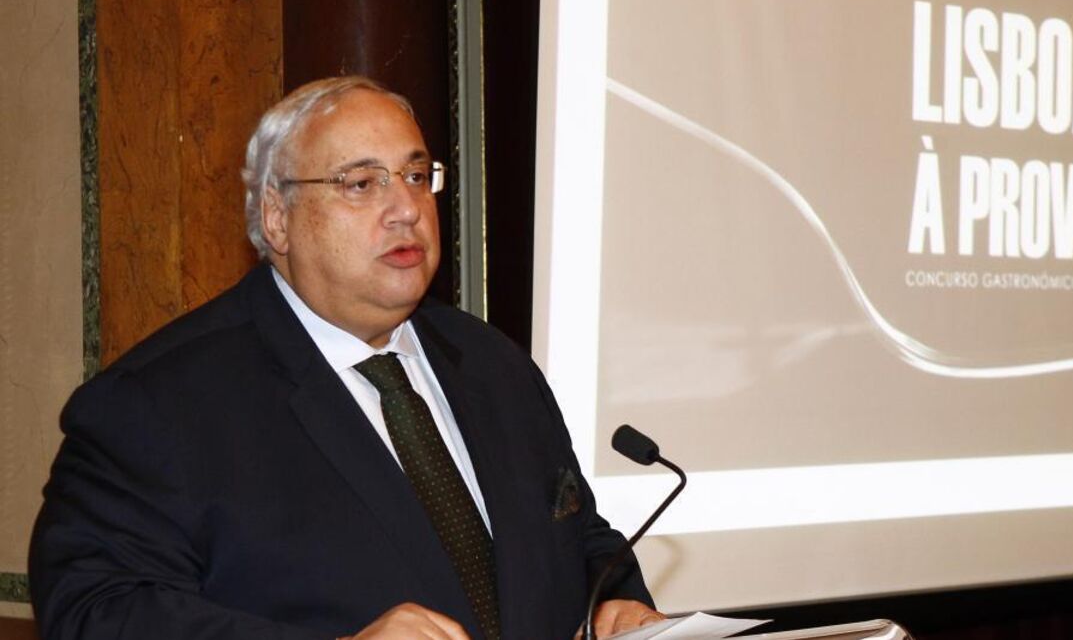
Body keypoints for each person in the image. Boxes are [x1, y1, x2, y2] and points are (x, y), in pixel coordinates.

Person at [29, 76, 665, 640]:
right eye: (361, 184)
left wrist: (616, 605)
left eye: (416, 177)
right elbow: (96, 613)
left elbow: (582, 545)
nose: (406, 210)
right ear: (277, 218)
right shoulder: (153, 404)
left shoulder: (492, 363)